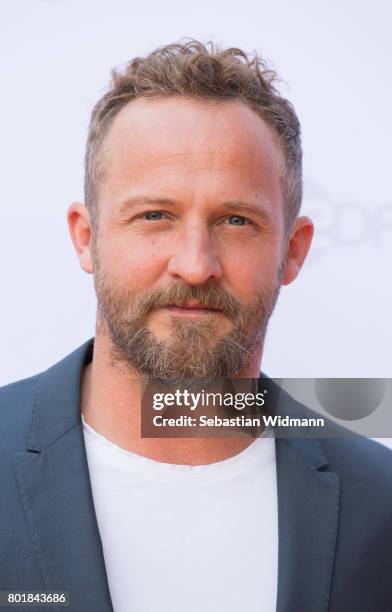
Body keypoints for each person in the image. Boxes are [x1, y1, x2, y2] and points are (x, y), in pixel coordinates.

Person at [1, 40, 391, 612]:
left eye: (236, 220)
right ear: (87, 238)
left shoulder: (379, 504)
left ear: (292, 250)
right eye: (154, 215)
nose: (195, 263)